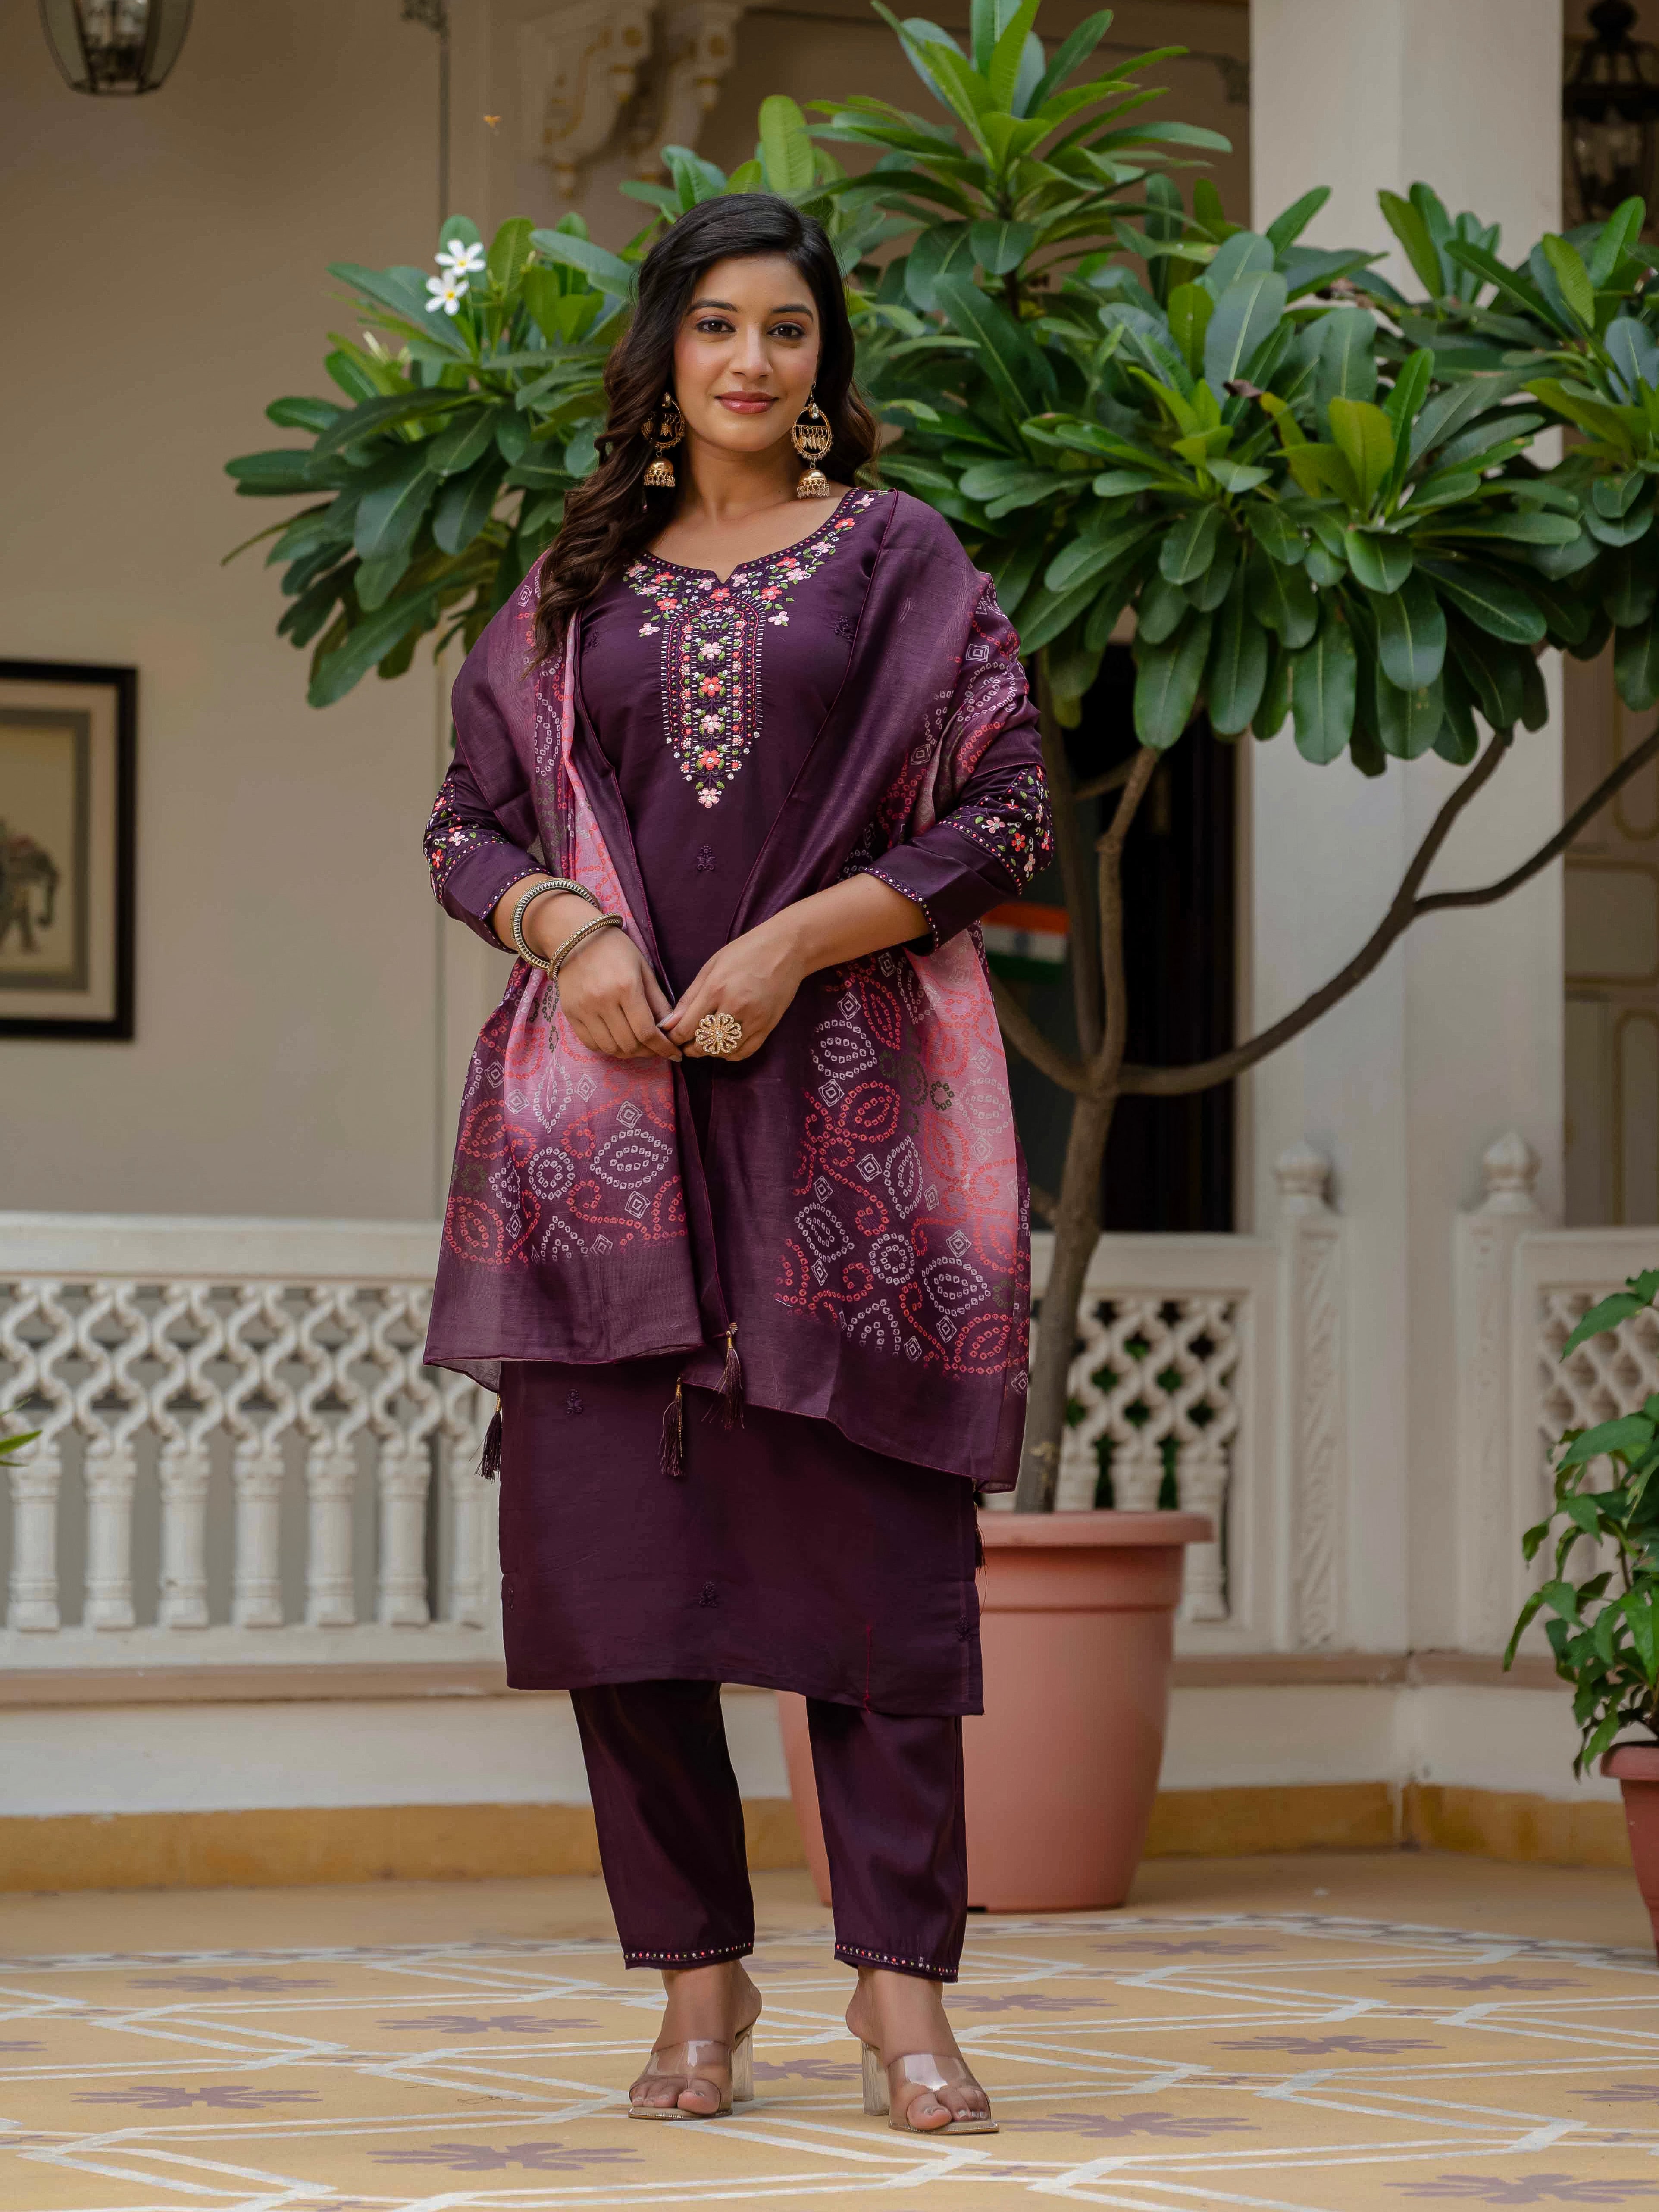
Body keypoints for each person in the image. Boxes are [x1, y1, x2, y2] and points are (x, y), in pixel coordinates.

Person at [422, 193, 1051, 2134]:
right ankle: (696, 1982)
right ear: (665, 354)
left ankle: (898, 1990)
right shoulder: (568, 585)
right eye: (716, 328)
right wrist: (571, 934)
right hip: (599, 1156)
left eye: (788, 330)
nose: (752, 363)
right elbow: (460, 821)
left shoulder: (899, 557)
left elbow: (1005, 802)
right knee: (624, 1583)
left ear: (825, 362)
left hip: (843, 1139)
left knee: (874, 1576)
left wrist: (793, 941)